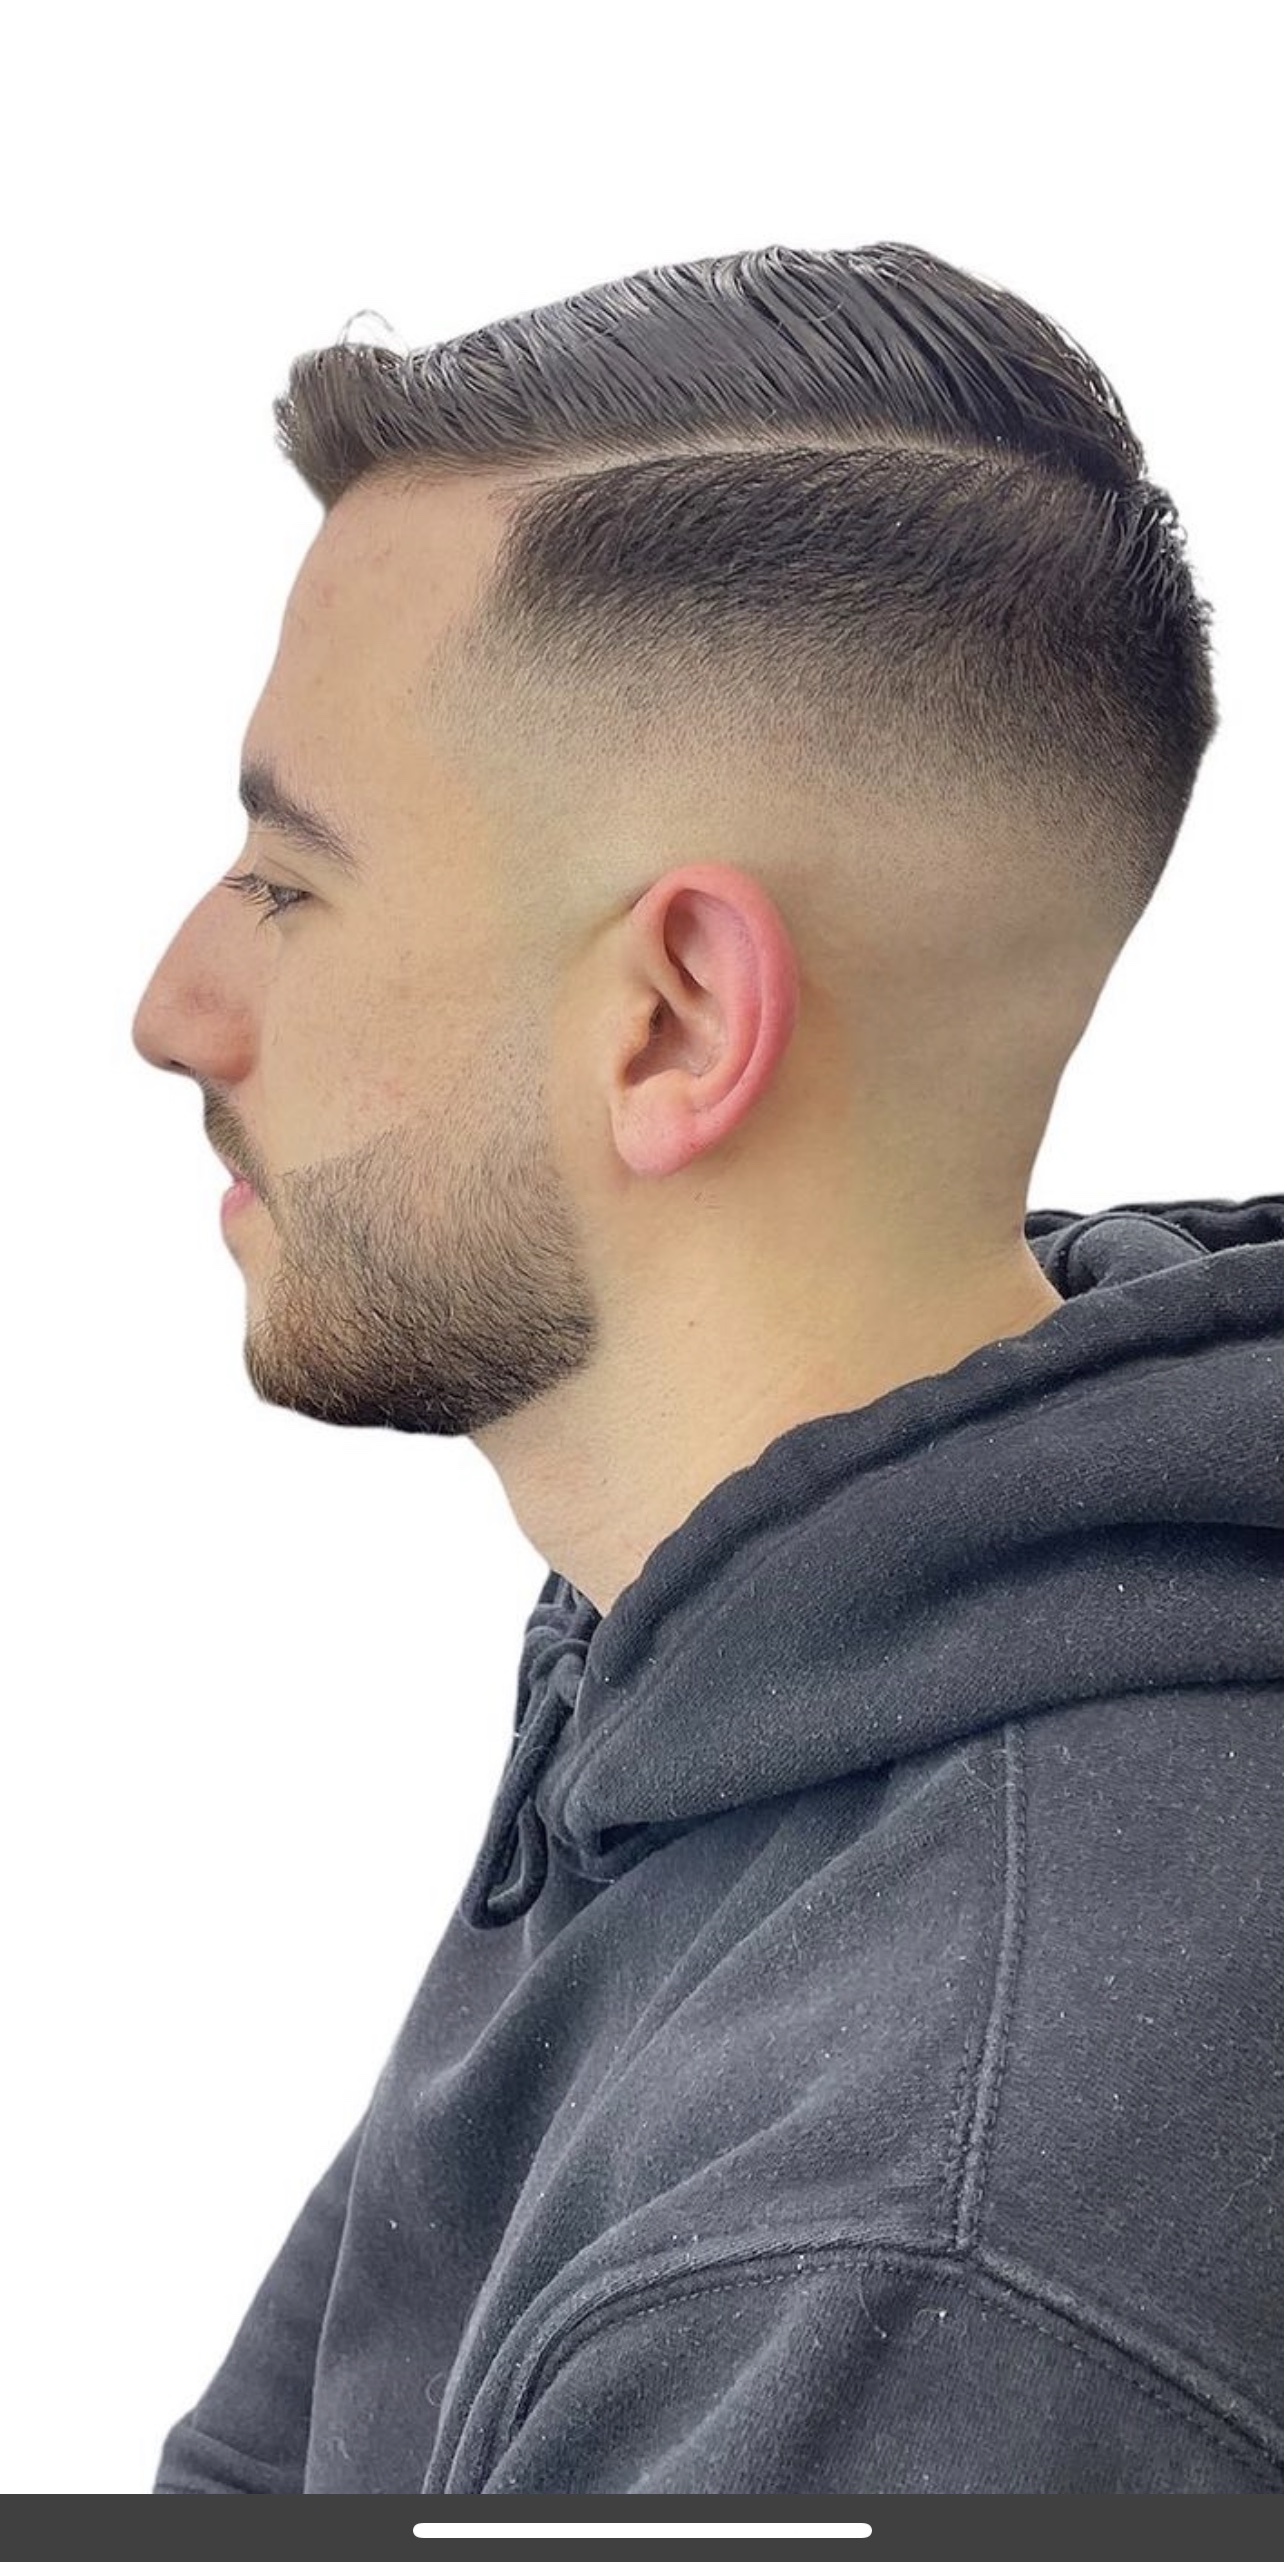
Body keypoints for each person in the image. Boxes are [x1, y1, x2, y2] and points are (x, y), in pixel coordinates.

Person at [131, 241, 1284, 2495]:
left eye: (288, 881)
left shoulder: (908, 2260)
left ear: (675, 1022)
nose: (175, 1008)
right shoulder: (755, 1637)